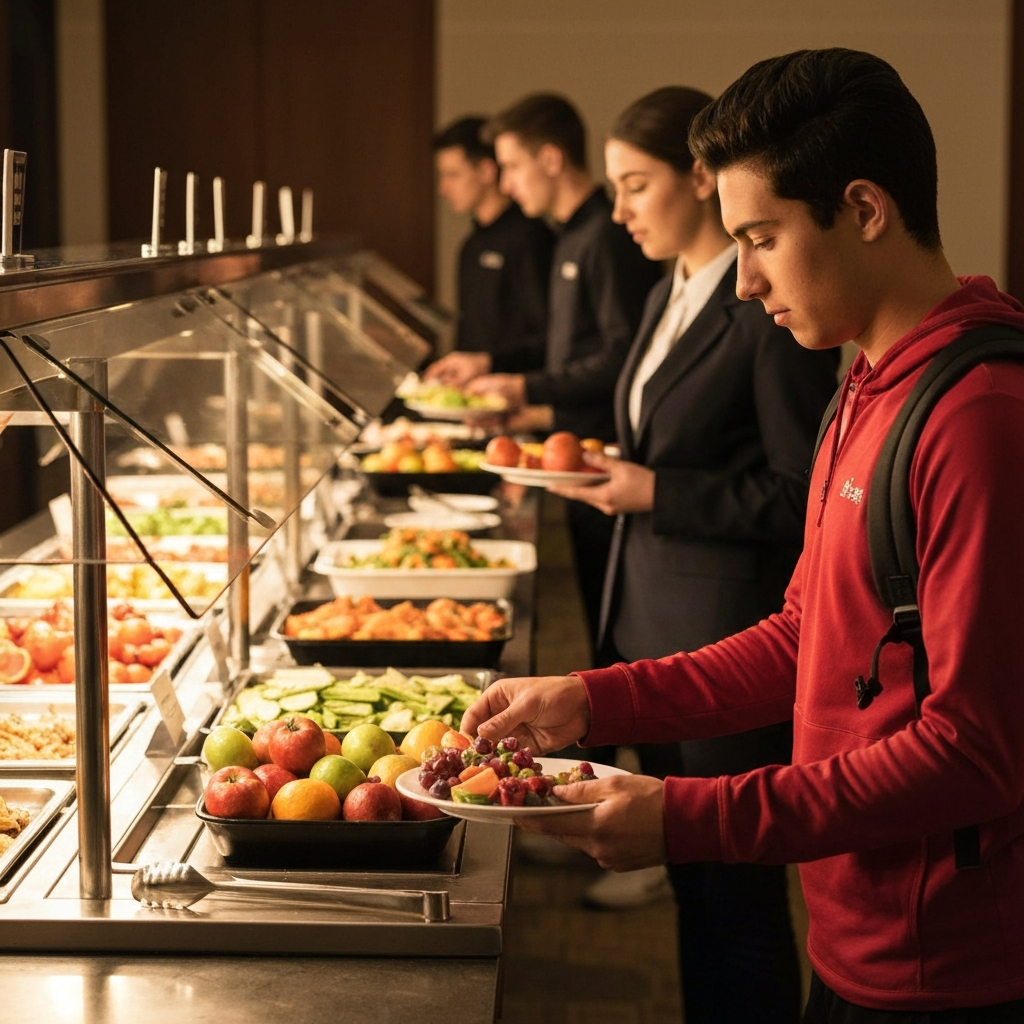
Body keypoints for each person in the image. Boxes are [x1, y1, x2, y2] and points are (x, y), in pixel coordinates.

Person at [462, 48, 1024, 1022]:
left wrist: (692, 816)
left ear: (862, 209)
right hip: (852, 928)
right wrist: (592, 701)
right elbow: (803, 635)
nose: (741, 282)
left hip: (946, 967)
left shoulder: (978, 418)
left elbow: (972, 751)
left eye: (759, 238)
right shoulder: (861, 381)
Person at [542, 86, 838, 1022]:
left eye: (635, 185)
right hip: (652, 626)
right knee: (691, 899)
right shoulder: (672, 291)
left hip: (728, 635)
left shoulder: (769, 313)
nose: (617, 209)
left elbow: (798, 496)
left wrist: (653, 491)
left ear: (699, 179)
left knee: (737, 909)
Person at [465, 93, 663, 649]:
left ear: (550, 159)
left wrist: (527, 388)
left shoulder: (606, 236)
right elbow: (568, 351)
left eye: (512, 167)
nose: (505, 184)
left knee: (611, 623)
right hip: (573, 452)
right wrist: (513, 384)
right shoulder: (568, 235)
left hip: (604, 454)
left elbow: (621, 357)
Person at [427, 116, 553, 379]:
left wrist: (490, 363)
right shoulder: (470, 246)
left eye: (453, 175)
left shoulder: (531, 238)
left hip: (520, 396)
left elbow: (550, 337)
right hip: (475, 398)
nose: (443, 188)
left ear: (486, 171)